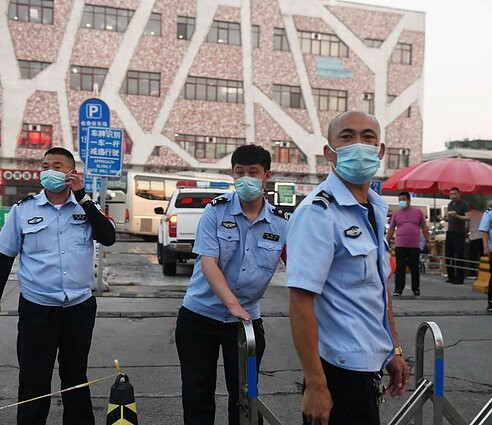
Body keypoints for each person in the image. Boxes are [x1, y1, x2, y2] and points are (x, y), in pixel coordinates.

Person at [287, 110, 410, 425]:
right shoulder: (318, 213)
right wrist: (315, 384)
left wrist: (393, 348)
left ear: (380, 151)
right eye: (347, 136)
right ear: (330, 152)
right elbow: (301, 303)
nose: (359, 144)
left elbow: (379, 288)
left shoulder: (373, 209)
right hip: (337, 371)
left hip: (368, 365)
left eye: (368, 137)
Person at [0, 147, 116, 424]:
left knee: (75, 377)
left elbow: (108, 237)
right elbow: (4, 256)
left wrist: (82, 197)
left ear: (71, 173)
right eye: (45, 166)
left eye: (57, 165)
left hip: (78, 307)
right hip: (37, 308)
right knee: (34, 380)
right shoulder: (23, 210)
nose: (49, 171)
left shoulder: (86, 208)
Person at [175, 144, 288, 425]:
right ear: (233, 175)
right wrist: (232, 304)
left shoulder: (280, 223)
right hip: (200, 316)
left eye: (254, 173)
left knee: (246, 396)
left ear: (267, 176)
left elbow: (299, 268)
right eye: (240, 173)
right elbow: (208, 262)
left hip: (246, 323)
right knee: (197, 393)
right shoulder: (216, 211)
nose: (246, 179)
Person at [386, 191, 430, 296]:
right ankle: (398, 290)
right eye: (400, 200)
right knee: (400, 268)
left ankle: (416, 288)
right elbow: (391, 228)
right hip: (400, 244)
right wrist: (386, 241)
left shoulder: (418, 212)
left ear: (409, 200)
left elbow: (424, 227)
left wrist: (427, 240)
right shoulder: (396, 213)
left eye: (403, 200)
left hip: (414, 245)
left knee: (414, 267)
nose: (402, 202)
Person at [445, 188, 470, 285]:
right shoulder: (450, 205)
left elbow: (468, 217)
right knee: (448, 255)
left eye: (455, 194)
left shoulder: (463, 205)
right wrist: (445, 218)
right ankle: (450, 276)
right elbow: (449, 218)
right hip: (450, 231)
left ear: (459, 194)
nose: (453, 195)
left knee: (459, 255)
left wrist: (457, 216)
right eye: (451, 194)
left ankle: (459, 278)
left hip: (459, 232)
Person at [467, 207, 484, 278]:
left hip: (474, 237)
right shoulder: (482, 214)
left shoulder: (467, 215)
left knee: (473, 256)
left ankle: (473, 272)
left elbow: (466, 227)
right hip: (483, 237)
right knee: (482, 256)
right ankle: (483, 271)